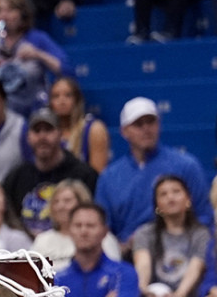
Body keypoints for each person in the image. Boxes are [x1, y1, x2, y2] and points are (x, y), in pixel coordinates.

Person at [96, 96, 213, 246]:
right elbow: (102, 229)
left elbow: (204, 217)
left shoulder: (186, 166)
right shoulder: (109, 178)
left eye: (151, 122)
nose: (146, 129)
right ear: (124, 131)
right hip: (127, 257)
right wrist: (123, 248)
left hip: (181, 251)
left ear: (159, 125)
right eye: (138, 124)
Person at [57, 204, 141, 297]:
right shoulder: (57, 280)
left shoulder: (123, 273)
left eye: (90, 226)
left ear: (104, 231)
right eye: (78, 225)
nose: (84, 231)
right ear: (70, 230)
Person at [2, 108, 97, 235]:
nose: (42, 136)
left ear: (60, 134)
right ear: (28, 137)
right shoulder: (16, 177)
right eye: (37, 131)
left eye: (48, 130)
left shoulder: (84, 175)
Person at [31, 179, 122, 269]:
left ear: (82, 203)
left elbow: (114, 271)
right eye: (56, 201)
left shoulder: (102, 238)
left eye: (67, 201)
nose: (60, 206)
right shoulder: (42, 240)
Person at [49, 76, 110, 174]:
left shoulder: (93, 130)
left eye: (68, 95)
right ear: (50, 102)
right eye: (56, 96)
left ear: (77, 100)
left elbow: (97, 176)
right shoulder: (46, 133)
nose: (62, 101)